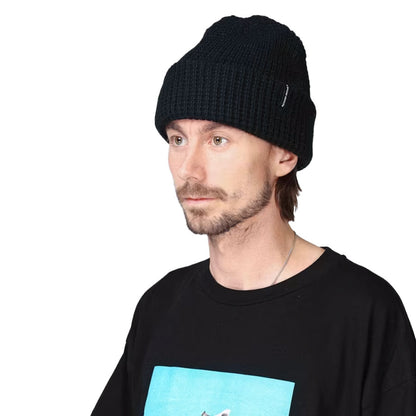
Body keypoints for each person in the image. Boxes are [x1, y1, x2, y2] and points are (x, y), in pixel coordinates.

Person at [91, 15, 416, 416]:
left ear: (284, 155)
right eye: (178, 139)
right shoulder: (160, 308)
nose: (189, 169)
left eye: (218, 139)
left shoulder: (362, 313)